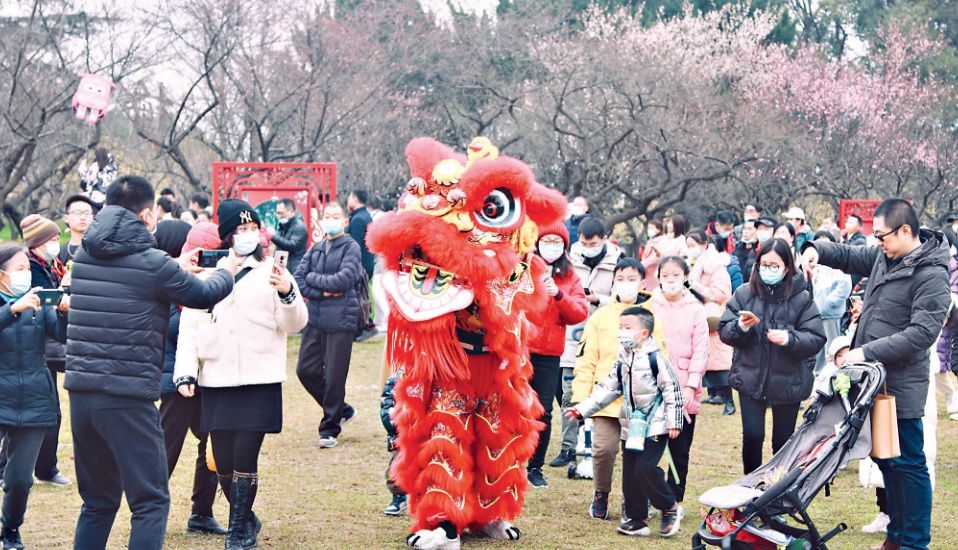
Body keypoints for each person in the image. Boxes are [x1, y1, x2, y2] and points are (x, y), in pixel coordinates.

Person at [65, 175, 236, 550]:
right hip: (127, 397)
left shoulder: (85, 256)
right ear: (146, 215)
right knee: (150, 500)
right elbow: (203, 293)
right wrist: (229, 269)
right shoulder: (153, 263)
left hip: (81, 394)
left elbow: (133, 275)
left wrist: (174, 264)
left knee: (97, 501)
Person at [801, 199, 950, 550]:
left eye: (882, 235)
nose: (877, 242)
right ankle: (895, 536)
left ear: (905, 231)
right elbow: (848, 256)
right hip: (872, 383)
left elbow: (921, 334)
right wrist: (813, 249)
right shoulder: (885, 256)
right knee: (885, 460)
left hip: (901, 385)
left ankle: (915, 543)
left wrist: (865, 351)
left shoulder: (932, 274)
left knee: (909, 465)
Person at [175, 199, 308, 549]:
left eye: (252, 229)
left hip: (259, 377)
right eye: (240, 230)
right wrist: (185, 373)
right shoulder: (208, 273)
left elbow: (295, 324)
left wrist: (287, 292)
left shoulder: (272, 272)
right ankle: (245, 518)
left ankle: (237, 536)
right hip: (217, 377)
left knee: (245, 458)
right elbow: (190, 324)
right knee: (222, 461)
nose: (248, 235)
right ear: (227, 236)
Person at [565, 307, 685, 538]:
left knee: (645, 467)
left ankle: (670, 506)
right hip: (632, 426)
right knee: (630, 472)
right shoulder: (623, 360)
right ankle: (637, 519)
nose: (622, 332)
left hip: (656, 426)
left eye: (627, 328)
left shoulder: (656, 360)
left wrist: (674, 421)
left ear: (644, 333)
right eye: (620, 327)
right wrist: (582, 409)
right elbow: (608, 389)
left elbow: (672, 389)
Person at [720, 238, 825, 475]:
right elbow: (725, 331)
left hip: (788, 380)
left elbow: (816, 338)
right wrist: (742, 327)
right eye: (763, 265)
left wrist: (789, 339)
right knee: (753, 436)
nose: (767, 270)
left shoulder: (802, 297)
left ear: (787, 267)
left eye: (774, 266)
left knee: (783, 442)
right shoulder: (745, 293)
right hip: (750, 376)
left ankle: (776, 494)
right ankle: (750, 489)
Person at [571, 258, 664, 520]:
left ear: (643, 283)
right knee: (604, 449)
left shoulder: (652, 317)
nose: (626, 284)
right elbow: (587, 358)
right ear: (613, 282)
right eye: (621, 279)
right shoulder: (600, 317)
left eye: (632, 279)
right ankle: (601, 493)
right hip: (606, 398)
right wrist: (581, 398)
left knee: (636, 453)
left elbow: (662, 358)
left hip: (641, 402)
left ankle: (633, 500)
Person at [154, 220, 226, 537]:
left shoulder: (223, 280)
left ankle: (202, 512)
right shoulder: (172, 278)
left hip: (211, 376)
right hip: (176, 379)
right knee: (165, 448)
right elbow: (168, 327)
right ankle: (148, 511)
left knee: (211, 447)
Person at [0, 246, 68, 550]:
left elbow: (63, 336)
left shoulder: (40, 305)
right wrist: (10, 310)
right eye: (18, 268)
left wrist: (65, 312)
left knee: (19, 480)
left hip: (35, 398)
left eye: (27, 268)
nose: (25, 274)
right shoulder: (14, 305)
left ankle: (11, 528)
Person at [549, 217, 624, 468]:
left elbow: (620, 296)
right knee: (570, 393)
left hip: (604, 332)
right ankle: (569, 448)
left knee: (603, 391)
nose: (586, 247)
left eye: (591, 243)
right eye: (582, 242)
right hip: (573, 334)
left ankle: (599, 447)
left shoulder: (617, 261)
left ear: (603, 240)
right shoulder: (569, 260)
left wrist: (597, 300)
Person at [294, 201, 365, 449]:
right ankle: (342, 410)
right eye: (327, 216)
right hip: (315, 317)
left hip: (341, 319)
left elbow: (345, 279)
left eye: (335, 216)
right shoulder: (316, 248)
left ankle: (329, 428)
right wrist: (322, 291)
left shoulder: (351, 247)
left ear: (345, 221)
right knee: (305, 369)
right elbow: (299, 278)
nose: (330, 219)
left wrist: (315, 283)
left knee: (335, 375)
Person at [526, 222, 589, 488]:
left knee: (543, 411)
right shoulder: (524, 266)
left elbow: (579, 313)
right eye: (546, 241)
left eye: (557, 242)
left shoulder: (569, 276)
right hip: (519, 347)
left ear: (564, 246)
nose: (550, 246)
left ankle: (535, 466)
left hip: (549, 353)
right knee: (511, 408)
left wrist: (559, 295)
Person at [651, 256, 709, 504]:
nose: (670, 280)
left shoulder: (696, 308)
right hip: (652, 387)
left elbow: (701, 349)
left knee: (679, 451)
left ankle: (675, 498)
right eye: (665, 275)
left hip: (685, 387)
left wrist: (692, 385)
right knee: (649, 448)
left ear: (685, 277)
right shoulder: (650, 305)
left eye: (676, 275)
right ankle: (650, 492)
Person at [685, 230, 736, 415]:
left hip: (713, 318)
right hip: (699, 318)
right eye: (688, 246)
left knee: (720, 365)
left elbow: (721, 293)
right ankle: (715, 396)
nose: (691, 250)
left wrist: (695, 287)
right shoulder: (696, 266)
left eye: (693, 246)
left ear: (704, 244)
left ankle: (729, 401)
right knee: (704, 362)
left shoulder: (715, 267)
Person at [810, 231, 852, 373]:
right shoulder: (817, 266)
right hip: (818, 313)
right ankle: (819, 372)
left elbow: (845, 285)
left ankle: (833, 372)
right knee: (820, 346)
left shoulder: (836, 264)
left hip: (831, 313)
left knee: (833, 346)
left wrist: (829, 303)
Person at [347, 190, 377, 341]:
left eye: (349, 197)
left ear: (354, 198)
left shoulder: (358, 219)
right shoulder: (365, 216)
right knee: (362, 295)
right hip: (367, 263)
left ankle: (368, 326)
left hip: (361, 265)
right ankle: (364, 325)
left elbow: (355, 246)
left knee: (360, 297)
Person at [379, 372, 407, 516]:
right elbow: (387, 406)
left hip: (424, 436)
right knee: (396, 470)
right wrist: (396, 424)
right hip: (401, 437)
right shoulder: (396, 379)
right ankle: (398, 498)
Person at [269, 198, 308, 275]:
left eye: (281, 213)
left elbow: (292, 246)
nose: (279, 216)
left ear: (291, 211)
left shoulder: (299, 227)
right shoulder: (283, 225)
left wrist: (273, 236)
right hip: (284, 266)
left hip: (295, 268)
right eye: (277, 213)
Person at [58, 195, 98, 267]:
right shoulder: (59, 252)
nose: (82, 217)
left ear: (92, 218)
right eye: (77, 213)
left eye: (87, 213)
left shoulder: (99, 249)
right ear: (66, 218)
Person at [640, 219, 668, 291]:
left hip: (654, 272)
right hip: (646, 272)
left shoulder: (662, 240)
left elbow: (656, 257)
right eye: (648, 228)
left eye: (651, 228)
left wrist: (642, 264)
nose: (649, 230)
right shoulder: (650, 241)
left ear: (658, 229)